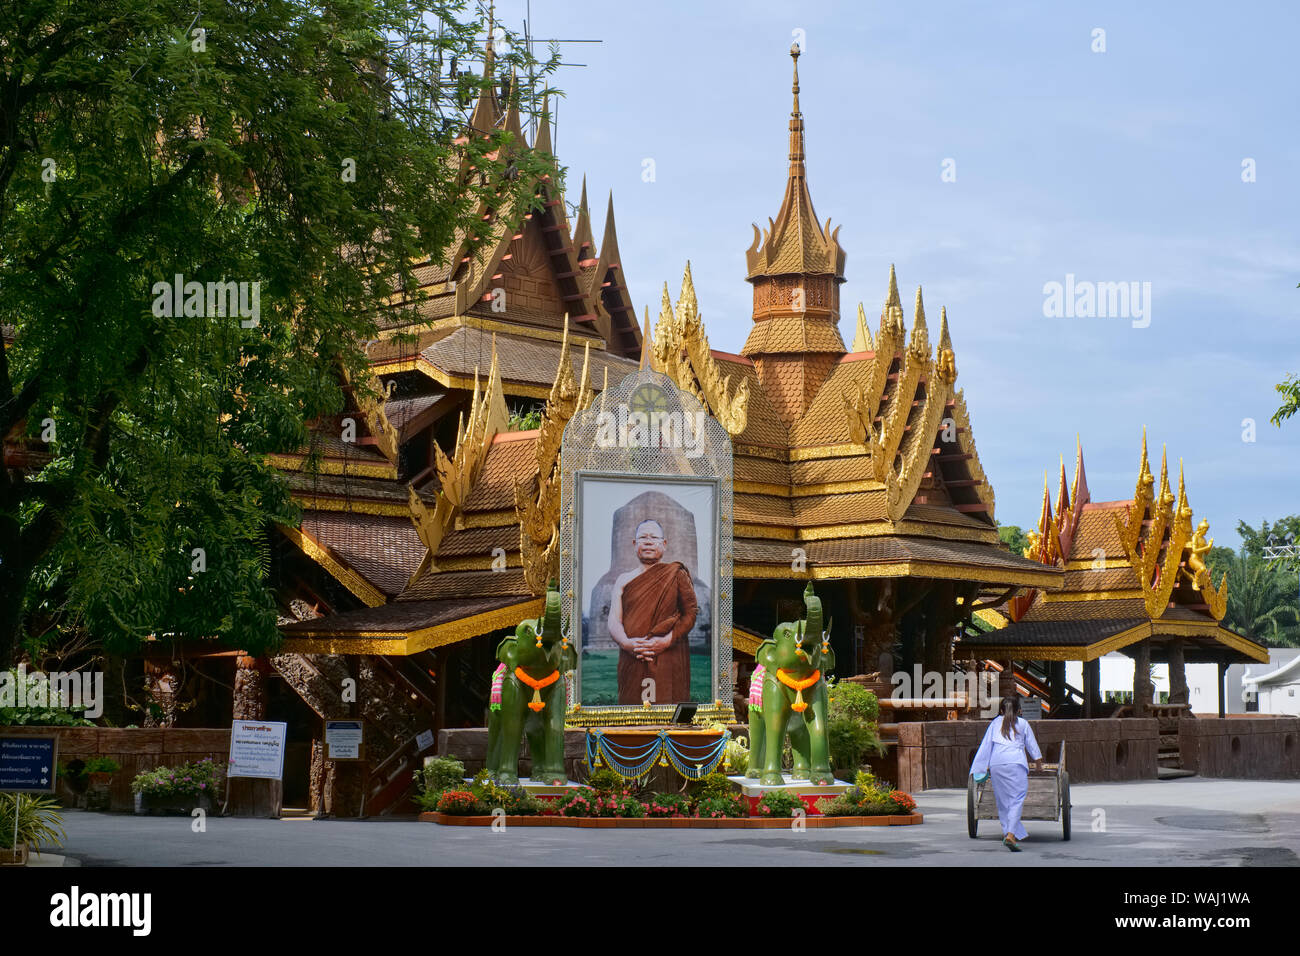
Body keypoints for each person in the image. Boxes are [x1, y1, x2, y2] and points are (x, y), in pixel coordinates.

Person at [607, 519, 698, 705]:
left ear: (664, 544)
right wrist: (626, 643)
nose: (648, 542)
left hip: (668, 655)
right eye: (643, 537)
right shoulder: (623, 580)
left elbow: (690, 614)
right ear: (634, 544)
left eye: (654, 537)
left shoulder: (675, 574)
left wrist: (666, 641)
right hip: (632, 655)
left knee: (668, 710)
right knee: (631, 714)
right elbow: (614, 621)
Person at [970, 695, 1043, 851]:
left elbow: (986, 746)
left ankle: (1009, 833)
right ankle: (1010, 834)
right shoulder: (1023, 723)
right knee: (1016, 799)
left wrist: (981, 767)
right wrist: (1038, 765)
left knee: (1003, 802)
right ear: (1019, 710)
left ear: (1001, 710)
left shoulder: (995, 723)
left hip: (996, 763)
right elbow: (1032, 745)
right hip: (1016, 763)